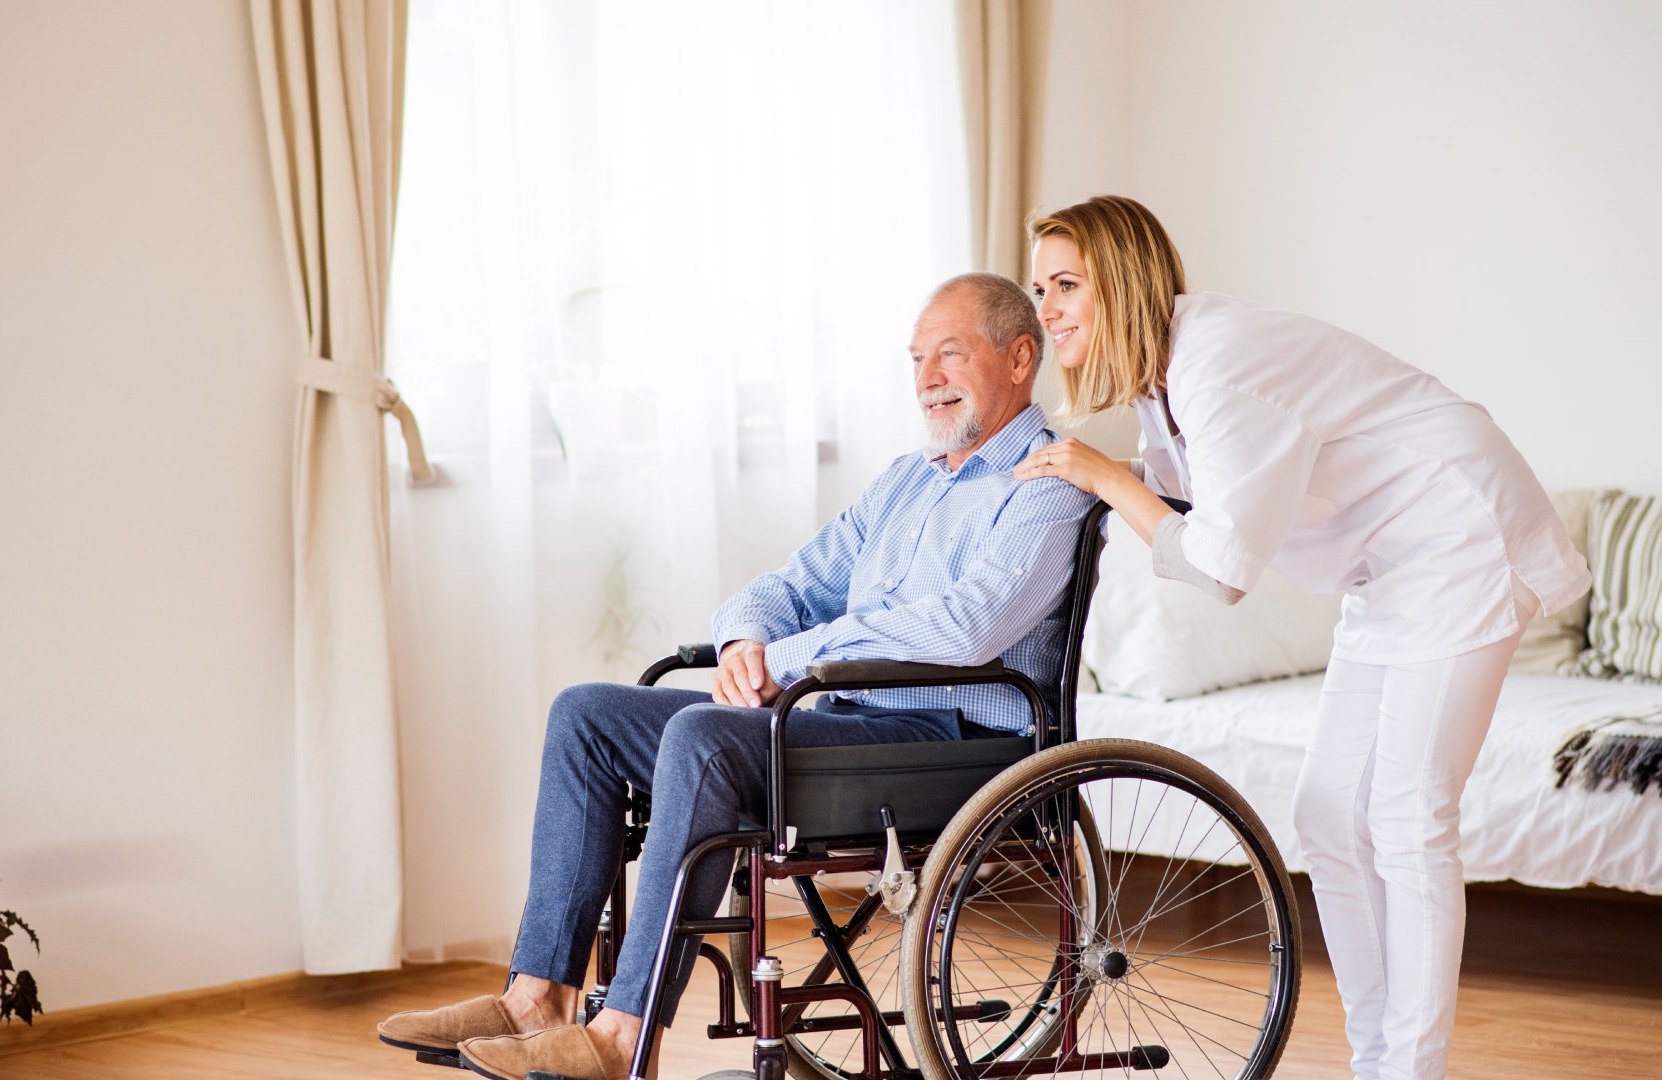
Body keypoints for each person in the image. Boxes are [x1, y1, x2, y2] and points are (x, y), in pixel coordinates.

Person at [377, 271, 1095, 1080]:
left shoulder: (1050, 480)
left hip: (953, 741)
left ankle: (619, 1038)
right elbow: (790, 585)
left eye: (950, 355)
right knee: (585, 715)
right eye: (916, 358)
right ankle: (535, 997)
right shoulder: (907, 479)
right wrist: (745, 642)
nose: (926, 379)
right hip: (845, 718)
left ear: (1020, 358)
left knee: (705, 734)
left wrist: (787, 661)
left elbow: (967, 628)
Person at [1015, 195, 1589, 1080]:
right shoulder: (1164, 379)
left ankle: (1411, 1070)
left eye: (1065, 285)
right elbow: (1193, 499)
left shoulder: (1214, 365)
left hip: (1459, 532)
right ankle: (1377, 1059)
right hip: (1387, 564)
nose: (1045, 308)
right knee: (1326, 814)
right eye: (1039, 287)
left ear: (1121, 282)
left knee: (1407, 816)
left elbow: (1217, 569)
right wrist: (1101, 476)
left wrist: (1097, 472)